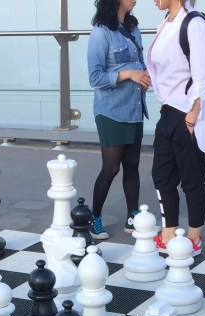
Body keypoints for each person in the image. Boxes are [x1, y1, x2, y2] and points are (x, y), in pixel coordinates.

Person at [145, 0, 205, 255]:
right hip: (168, 111)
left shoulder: (195, 24)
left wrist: (192, 117)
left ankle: (194, 237)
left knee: (192, 178)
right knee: (162, 174)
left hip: (188, 114)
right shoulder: (166, 23)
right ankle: (169, 231)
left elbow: (203, 76)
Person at [87, 0, 151, 242]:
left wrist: (145, 74)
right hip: (111, 111)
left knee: (132, 164)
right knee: (111, 167)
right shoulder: (101, 32)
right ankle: (94, 216)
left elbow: (139, 63)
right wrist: (128, 74)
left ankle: (132, 216)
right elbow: (95, 77)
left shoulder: (133, 28)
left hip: (134, 108)